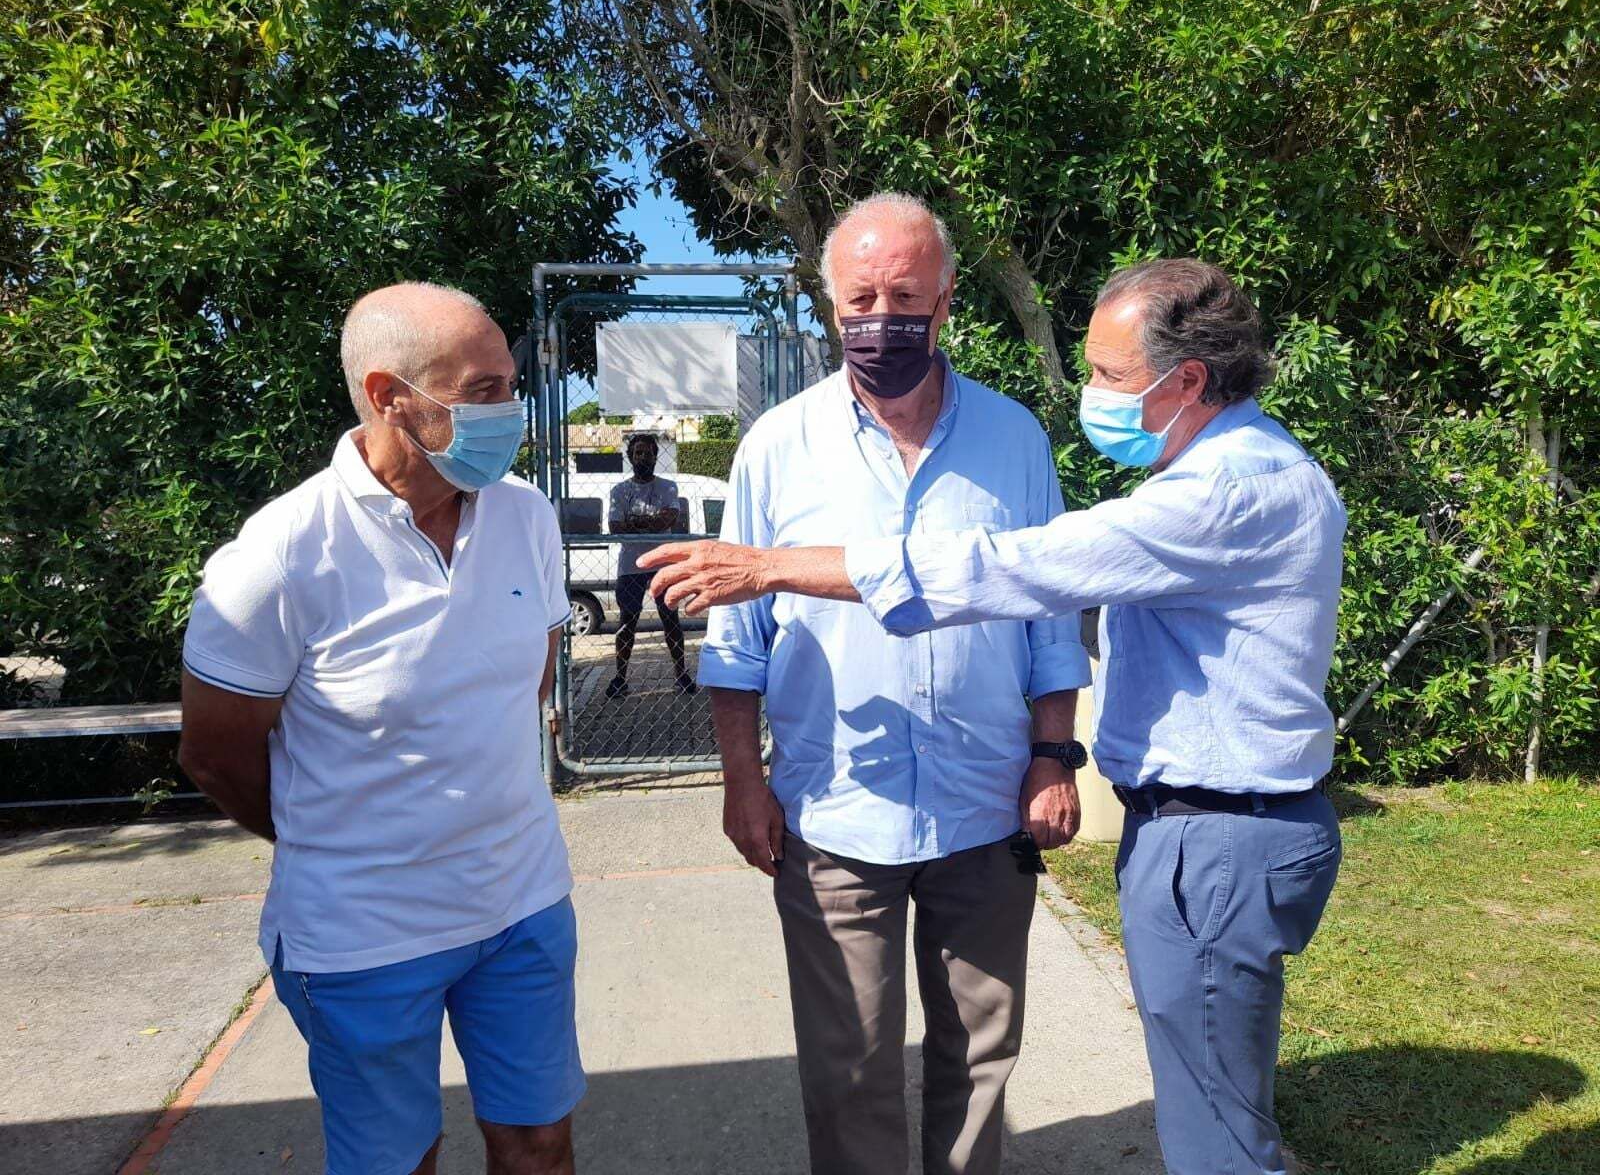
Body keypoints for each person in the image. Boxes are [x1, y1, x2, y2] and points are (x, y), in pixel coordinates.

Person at [643, 258, 1347, 1175]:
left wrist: (771, 565)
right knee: (1201, 1097)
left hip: (1207, 839)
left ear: (1187, 381)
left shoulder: (1222, 492)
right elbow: (746, 648)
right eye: (859, 300)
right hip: (896, 810)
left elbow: (1012, 572)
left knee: (1214, 1131)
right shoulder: (1226, 470)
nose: (1091, 393)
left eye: (1106, 374)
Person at [695, 192, 1093, 1175]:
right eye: (860, 297)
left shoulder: (1014, 443)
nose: (882, 317)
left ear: (947, 298)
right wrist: (743, 780)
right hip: (835, 819)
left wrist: (1052, 756)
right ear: (830, 307)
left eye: (904, 294)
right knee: (849, 1069)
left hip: (986, 808)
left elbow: (1049, 623)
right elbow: (736, 640)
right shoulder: (776, 449)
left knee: (981, 1058)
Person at [179, 283, 583, 1175]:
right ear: (388, 395)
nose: (508, 413)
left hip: (521, 908)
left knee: (540, 1145)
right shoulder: (281, 554)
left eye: (510, 386)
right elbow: (213, 754)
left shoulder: (527, 518)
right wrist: (339, 838)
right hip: (363, 936)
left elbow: (527, 683)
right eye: (481, 391)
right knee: (398, 1163)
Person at [605, 433, 695, 698]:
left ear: (656, 456)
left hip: (662, 561)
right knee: (627, 622)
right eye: (638, 453)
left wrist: (634, 522)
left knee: (671, 619)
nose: (643, 457)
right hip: (631, 565)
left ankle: (681, 674)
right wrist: (650, 522)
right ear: (630, 457)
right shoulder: (619, 491)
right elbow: (615, 527)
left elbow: (667, 520)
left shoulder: (668, 487)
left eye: (647, 453)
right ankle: (620, 677)